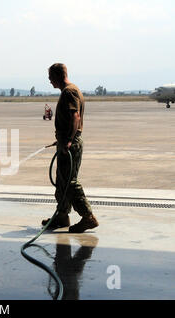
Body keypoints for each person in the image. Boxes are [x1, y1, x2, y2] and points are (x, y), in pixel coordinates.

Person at [42, 63, 99, 233]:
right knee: (62, 182)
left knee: (69, 182)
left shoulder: (69, 92)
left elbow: (75, 116)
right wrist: (60, 140)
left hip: (70, 144)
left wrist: (68, 140)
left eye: (51, 77)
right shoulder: (68, 91)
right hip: (65, 141)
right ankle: (62, 216)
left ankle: (88, 217)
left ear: (59, 76)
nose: (50, 81)